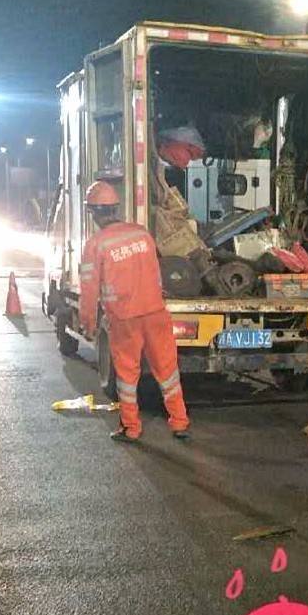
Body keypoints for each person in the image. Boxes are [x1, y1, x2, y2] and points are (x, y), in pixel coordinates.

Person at [79, 180, 190, 442]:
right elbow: (157, 274)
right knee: (168, 371)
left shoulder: (96, 244)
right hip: (155, 312)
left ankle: (131, 428)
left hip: (124, 319)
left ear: (93, 212)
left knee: (127, 376)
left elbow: (89, 289)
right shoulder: (142, 235)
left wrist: (88, 322)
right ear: (115, 208)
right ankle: (180, 422)